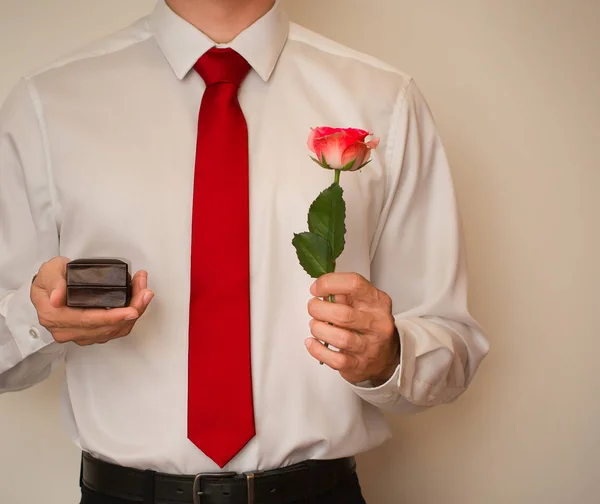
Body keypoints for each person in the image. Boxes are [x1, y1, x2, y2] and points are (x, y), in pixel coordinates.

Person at [0, 0, 490, 503]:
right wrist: (37, 318)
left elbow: (451, 345)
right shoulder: (48, 103)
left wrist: (389, 356)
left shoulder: (383, 100)